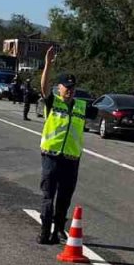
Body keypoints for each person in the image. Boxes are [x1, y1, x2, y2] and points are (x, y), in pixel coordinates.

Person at [37, 46, 95, 244]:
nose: (69, 90)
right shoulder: (53, 102)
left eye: (72, 87)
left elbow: (101, 112)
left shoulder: (81, 106)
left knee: (64, 198)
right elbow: (44, 88)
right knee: (48, 196)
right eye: (66, 87)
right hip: (51, 156)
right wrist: (48, 65)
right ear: (59, 88)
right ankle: (45, 231)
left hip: (71, 159)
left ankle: (59, 228)